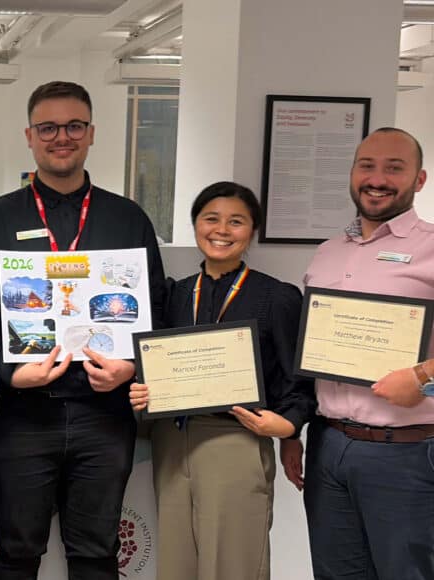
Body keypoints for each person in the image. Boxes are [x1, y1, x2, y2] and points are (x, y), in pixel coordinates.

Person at [0, 80, 166, 580]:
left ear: (92, 133)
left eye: (74, 126)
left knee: (96, 554)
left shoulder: (127, 218)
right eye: (49, 127)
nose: (62, 137)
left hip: (104, 415)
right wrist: (10, 377)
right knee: (13, 554)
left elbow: (156, 312)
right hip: (21, 417)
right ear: (29, 136)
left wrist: (132, 368)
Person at [127, 182, 316, 580]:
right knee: (176, 565)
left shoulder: (276, 297)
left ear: (253, 231)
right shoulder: (174, 294)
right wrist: (143, 390)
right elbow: (150, 364)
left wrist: (287, 427)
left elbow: (297, 377)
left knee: (232, 565)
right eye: (211, 218)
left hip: (237, 439)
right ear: (195, 223)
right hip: (172, 441)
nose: (222, 230)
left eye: (236, 221)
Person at [280, 127, 434, 580]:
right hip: (329, 447)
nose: (378, 178)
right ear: (352, 173)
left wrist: (425, 378)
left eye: (394, 168)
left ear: (419, 179)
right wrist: (295, 429)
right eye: (367, 165)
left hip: (405, 454)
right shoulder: (328, 253)